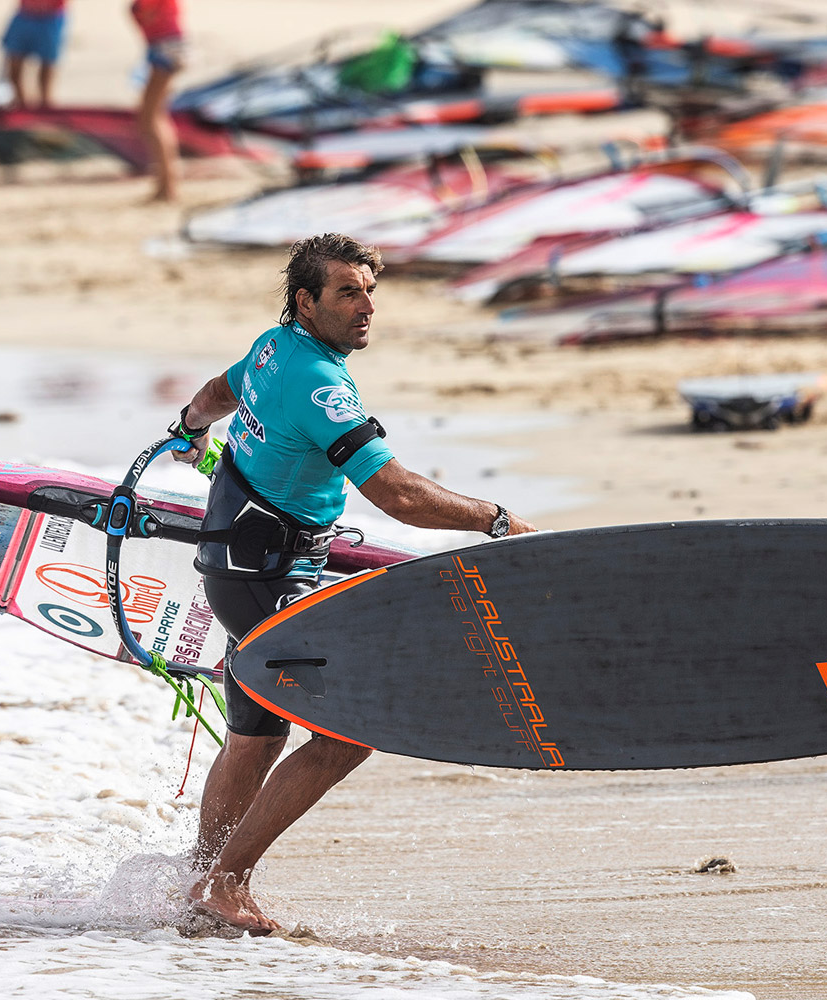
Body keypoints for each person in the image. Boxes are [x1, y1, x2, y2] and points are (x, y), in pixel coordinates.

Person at [166, 233, 536, 935]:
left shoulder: (276, 349)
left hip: (238, 567)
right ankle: (225, 882)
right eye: (348, 292)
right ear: (306, 301)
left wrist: (188, 427)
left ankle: (202, 881)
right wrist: (496, 520)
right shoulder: (320, 383)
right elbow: (396, 495)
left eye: (371, 291)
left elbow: (220, 389)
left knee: (255, 736)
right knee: (348, 732)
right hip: (267, 578)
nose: (367, 306)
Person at [130, 0, 185, 202]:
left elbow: (143, 11)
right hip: (163, 47)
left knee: (150, 119)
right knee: (155, 117)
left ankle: (167, 186)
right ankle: (166, 183)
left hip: (166, 47)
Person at [1, 0, 67, 108]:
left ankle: (45, 105)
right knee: (14, 64)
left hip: (51, 16)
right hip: (25, 14)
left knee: (47, 64)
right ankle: (22, 103)